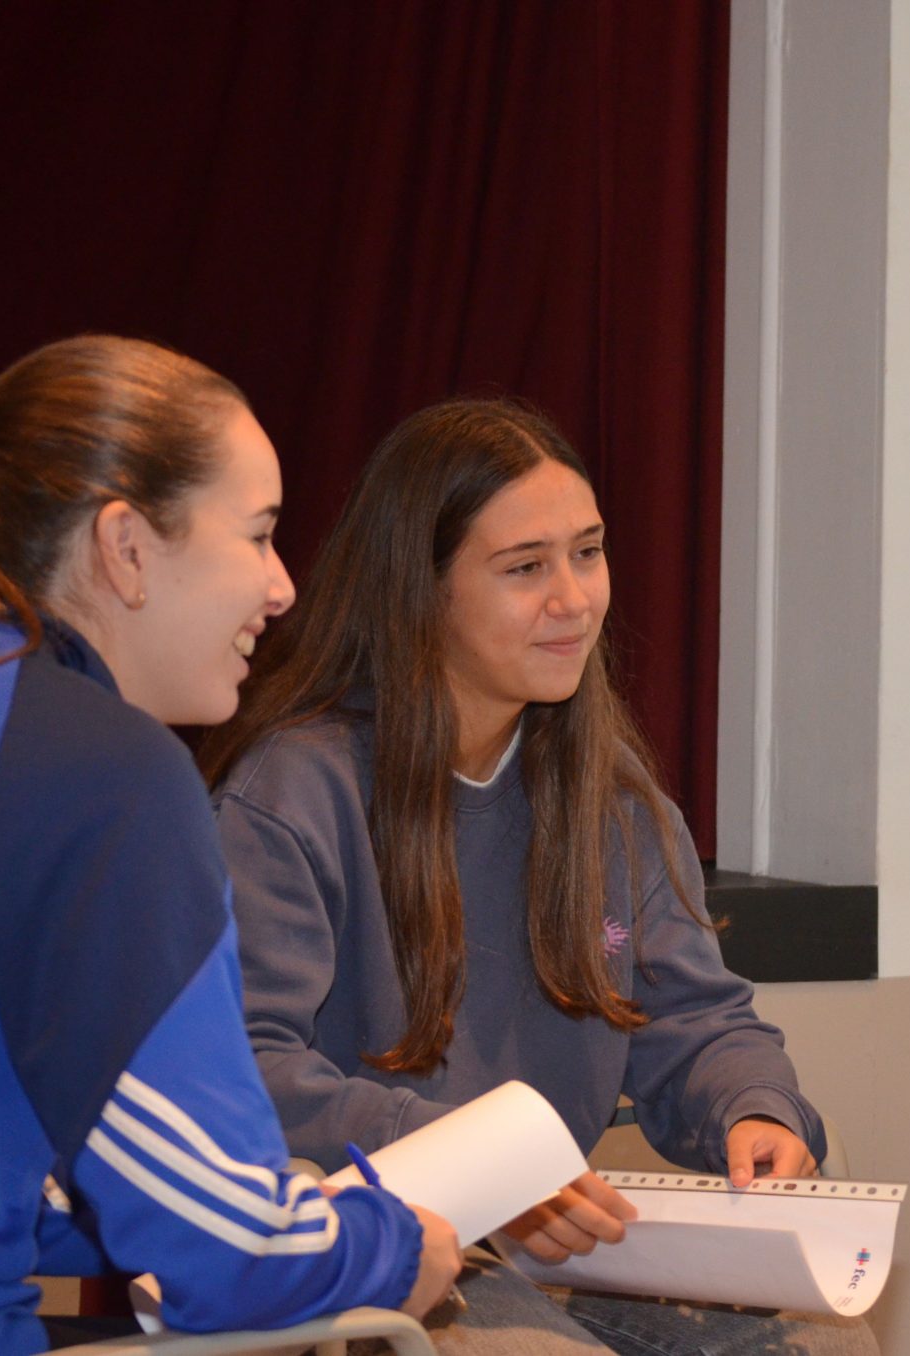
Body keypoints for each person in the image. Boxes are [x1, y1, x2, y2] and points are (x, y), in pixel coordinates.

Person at [197, 398, 875, 1355]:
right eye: (525, 569)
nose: (575, 599)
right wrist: (489, 1166)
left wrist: (751, 1102)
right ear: (418, 590)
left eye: (588, 553)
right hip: (386, 1255)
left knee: (829, 1347)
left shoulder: (617, 804)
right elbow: (246, 1074)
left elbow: (694, 1021)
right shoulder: (292, 795)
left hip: (556, 1254)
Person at [0, 336, 460, 1355]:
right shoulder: (91, 768)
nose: (284, 588)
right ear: (124, 546)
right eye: (257, 535)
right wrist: (385, 1245)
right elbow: (231, 1251)